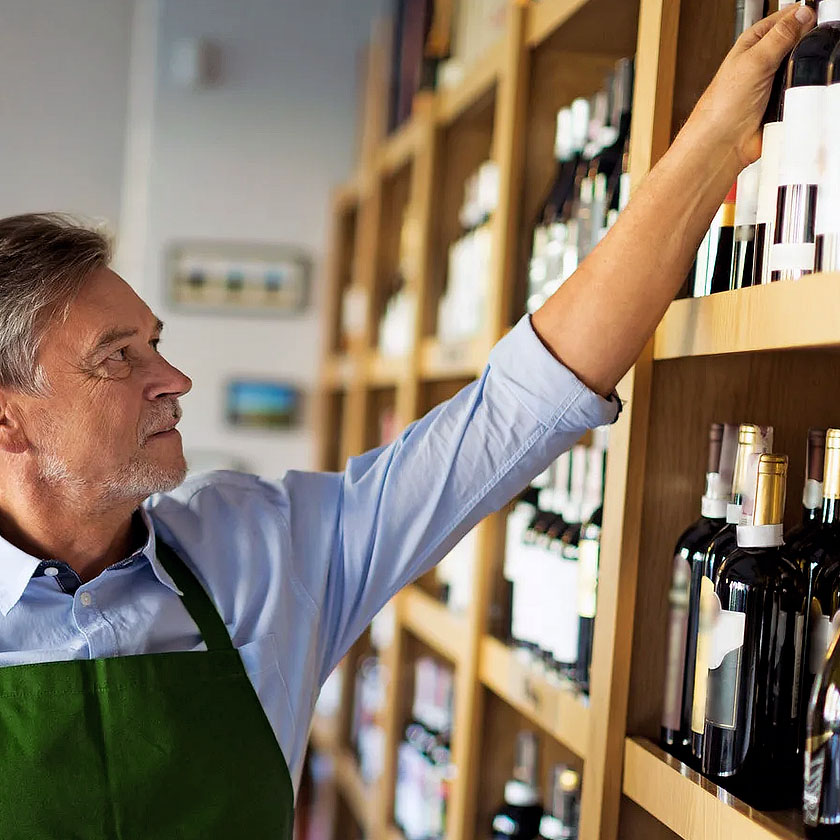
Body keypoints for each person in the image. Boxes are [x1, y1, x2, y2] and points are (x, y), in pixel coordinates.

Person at [0, 6, 815, 838]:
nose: (174, 380)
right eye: (118, 357)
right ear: (8, 423)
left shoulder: (255, 554)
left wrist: (715, 141)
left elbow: (517, 407)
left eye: (156, 345)